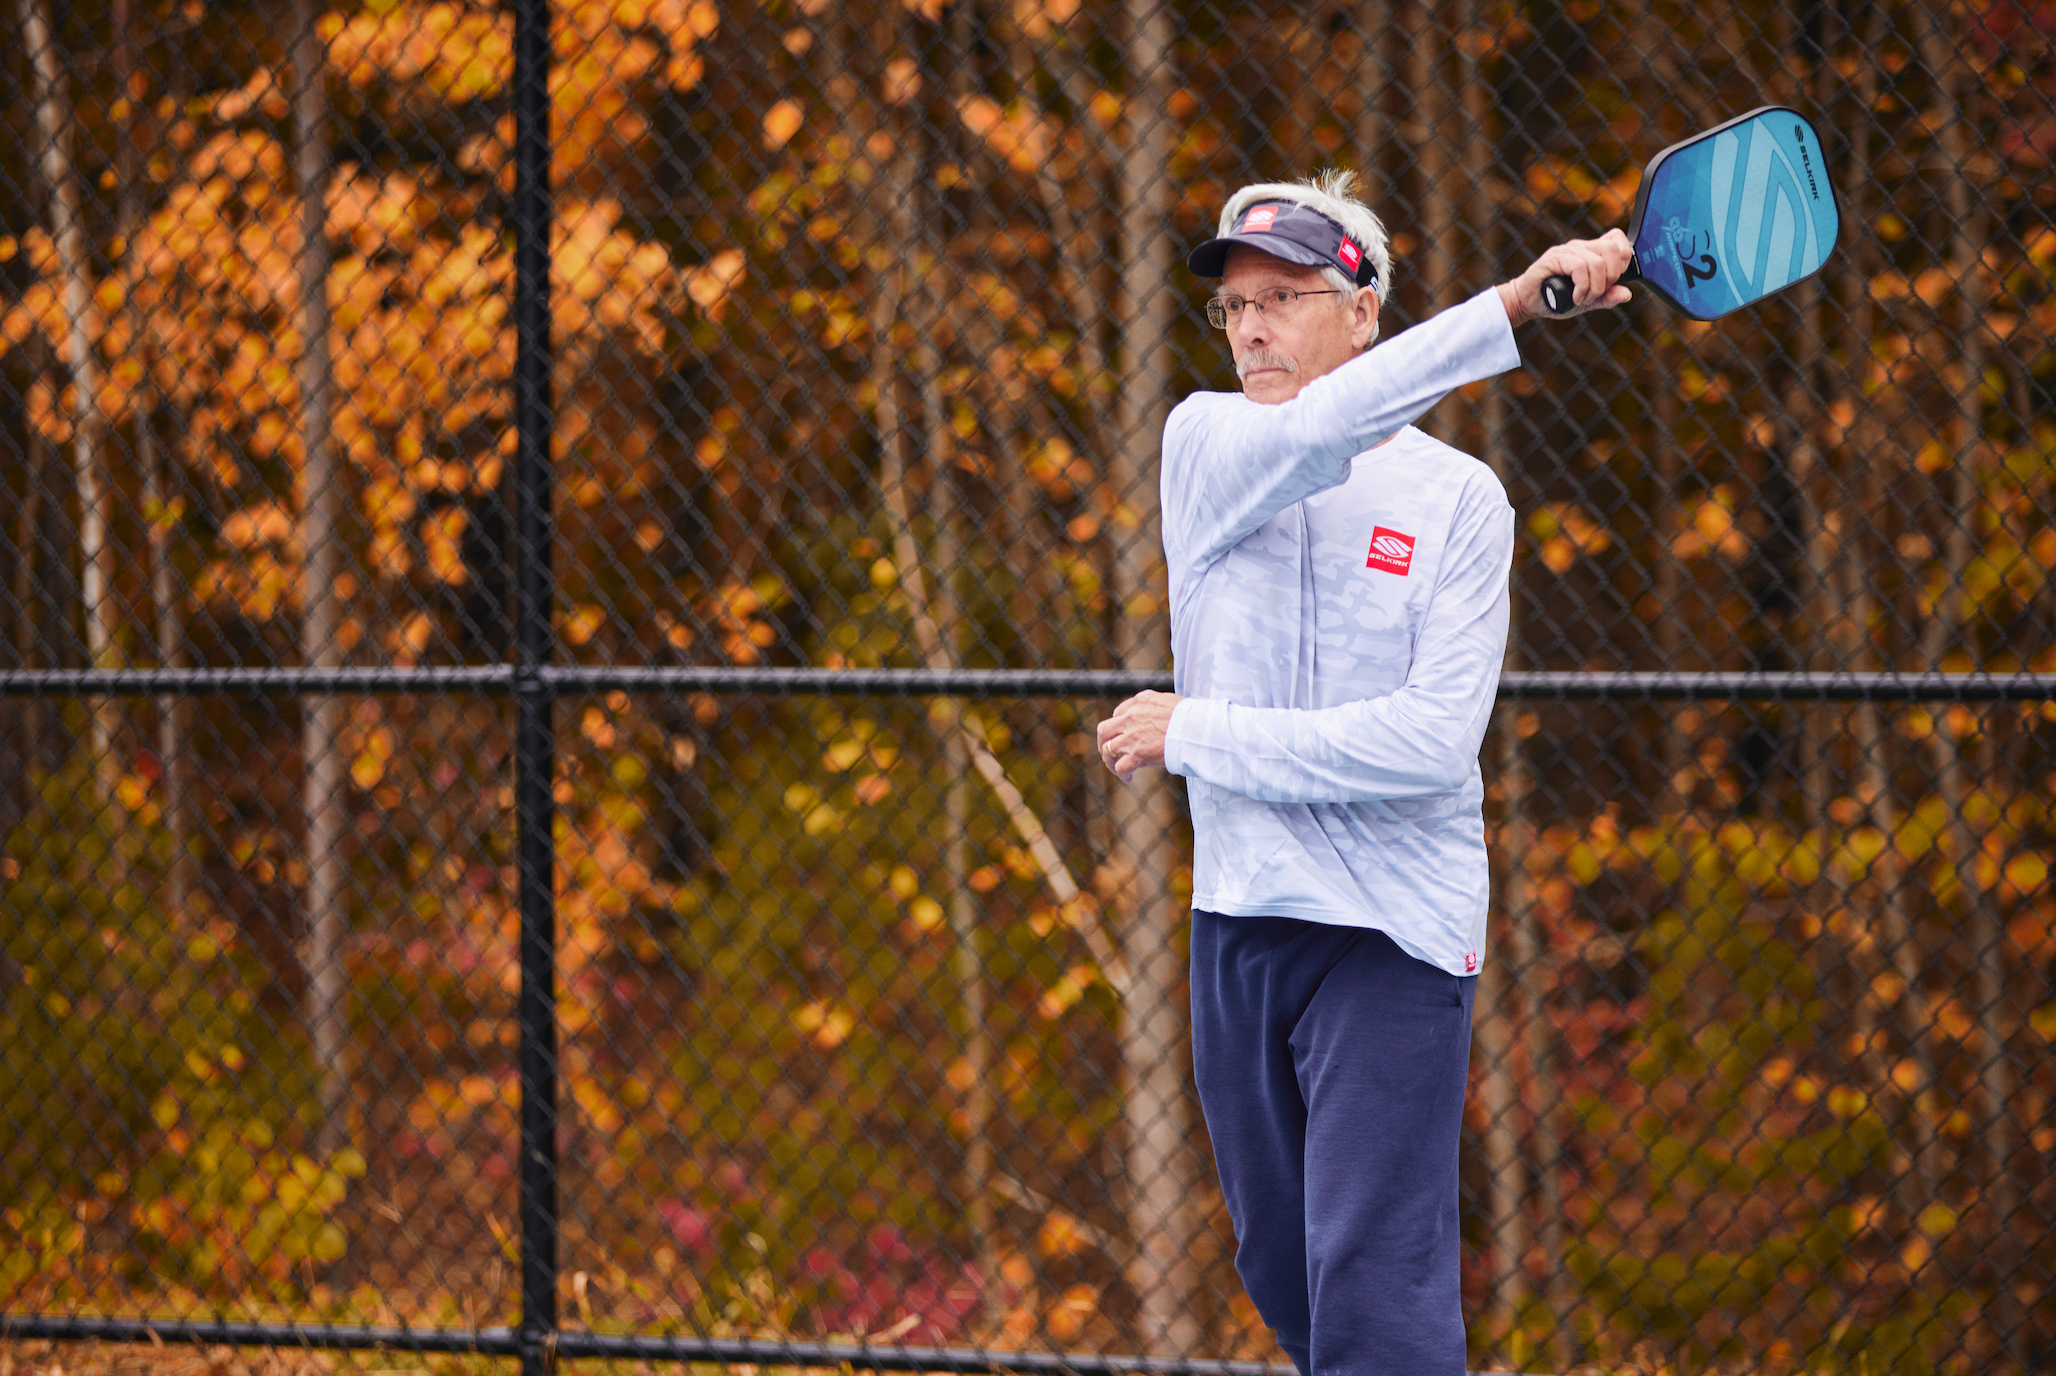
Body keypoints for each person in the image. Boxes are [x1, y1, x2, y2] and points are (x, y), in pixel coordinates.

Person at [1093, 170, 1634, 1376]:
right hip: (1237, 923)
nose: (1251, 327)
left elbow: (1427, 745)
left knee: (1370, 1281)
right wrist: (1514, 307)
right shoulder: (1208, 443)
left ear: (1365, 309)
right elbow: (1317, 434)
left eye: (1282, 296)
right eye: (1233, 305)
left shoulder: (1458, 502)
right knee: (1286, 1277)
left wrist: (1201, 733)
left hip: (1392, 934)